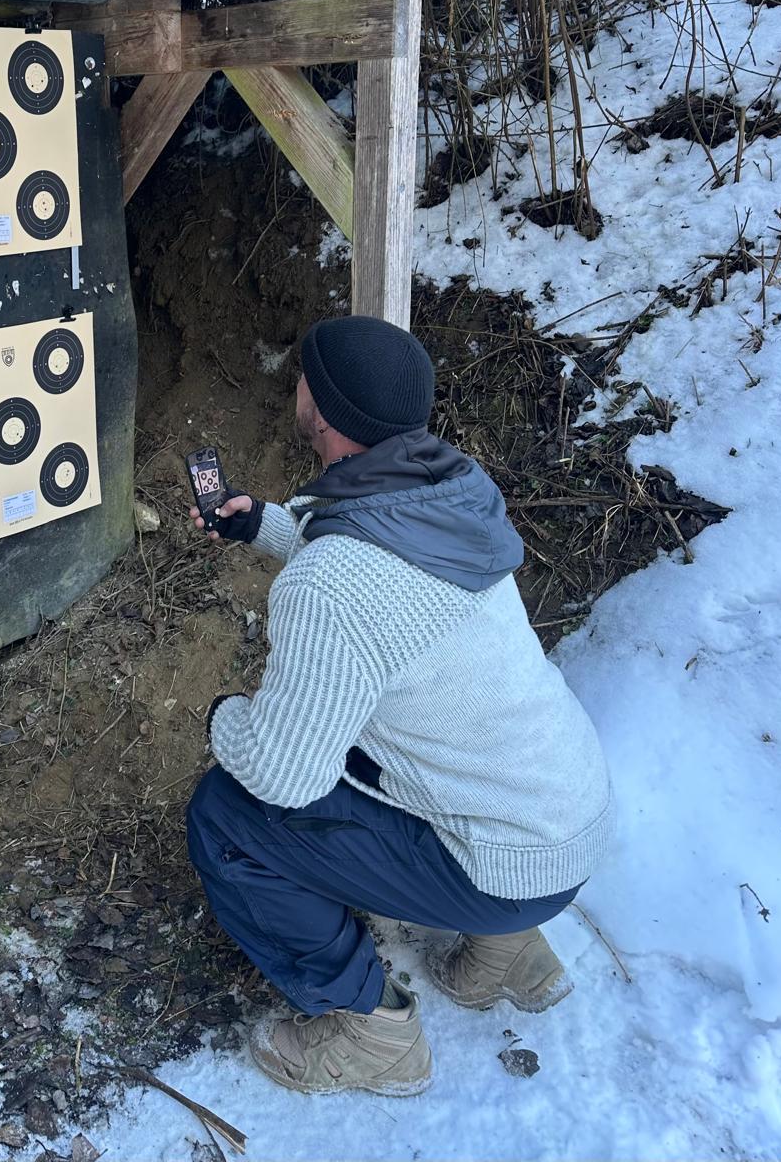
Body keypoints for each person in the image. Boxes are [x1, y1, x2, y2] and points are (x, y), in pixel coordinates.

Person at [185, 314, 611, 1097]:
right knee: (379, 743)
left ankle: (372, 1033)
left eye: (306, 375)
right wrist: (262, 525)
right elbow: (381, 575)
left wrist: (221, 718)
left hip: (503, 867)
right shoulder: (452, 492)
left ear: (321, 409)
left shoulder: (328, 587)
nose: (298, 384)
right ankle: (505, 954)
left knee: (226, 813)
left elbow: (282, 777)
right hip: (564, 817)